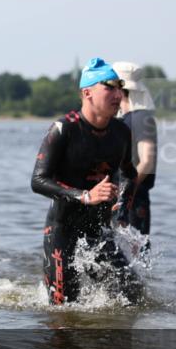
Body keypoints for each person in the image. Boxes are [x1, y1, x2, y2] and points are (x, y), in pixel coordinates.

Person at [31, 58, 143, 305]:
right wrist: (85, 196)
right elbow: (38, 180)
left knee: (134, 297)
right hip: (63, 232)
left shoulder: (121, 133)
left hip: (99, 233)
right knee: (64, 310)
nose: (118, 95)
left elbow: (130, 174)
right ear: (87, 92)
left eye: (120, 89)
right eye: (110, 87)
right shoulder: (64, 130)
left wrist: (123, 214)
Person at [112, 62, 158, 237]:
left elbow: (146, 162)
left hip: (133, 198)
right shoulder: (124, 119)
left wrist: (126, 193)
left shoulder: (141, 117)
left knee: (135, 255)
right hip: (120, 196)